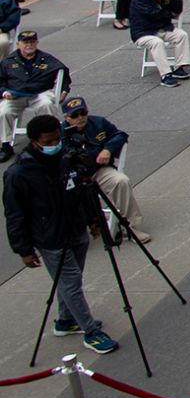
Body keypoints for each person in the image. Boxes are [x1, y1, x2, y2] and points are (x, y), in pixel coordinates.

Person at [3, 115, 120, 354]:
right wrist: (23, 249)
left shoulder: (66, 159)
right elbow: (15, 215)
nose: (55, 143)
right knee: (71, 283)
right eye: (49, 141)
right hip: (51, 238)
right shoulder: (19, 174)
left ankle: (65, 320)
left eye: (57, 138)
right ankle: (90, 332)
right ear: (35, 141)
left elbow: (82, 191)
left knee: (71, 280)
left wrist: (93, 219)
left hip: (76, 228)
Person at [59, 96, 147, 243]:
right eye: (75, 115)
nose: (80, 118)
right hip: (73, 177)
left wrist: (107, 149)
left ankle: (130, 228)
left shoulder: (98, 123)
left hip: (97, 170)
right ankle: (71, 234)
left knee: (121, 181)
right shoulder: (60, 133)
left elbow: (120, 135)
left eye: (83, 113)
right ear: (66, 117)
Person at [0, 29, 69, 160]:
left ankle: (53, 138)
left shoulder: (47, 59)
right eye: (25, 42)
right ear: (18, 44)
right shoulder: (8, 62)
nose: (29, 45)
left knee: (47, 104)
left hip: (40, 94)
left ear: (37, 43)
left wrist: (63, 91)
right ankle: (5, 145)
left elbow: (63, 74)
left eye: (32, 42)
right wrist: (4, 93)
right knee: (3, 111)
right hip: (16, 96)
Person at [128, 0, 190, 87]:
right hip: (143, 32)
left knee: (181, 35)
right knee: (157, 43)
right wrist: (169, 14)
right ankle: (165, 75)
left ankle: (179, 67)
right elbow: (153, 14)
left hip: (162, 28)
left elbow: (177, 10)